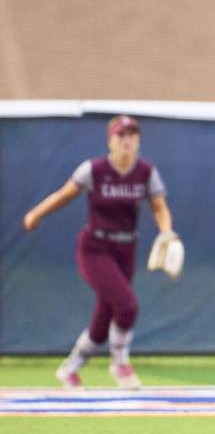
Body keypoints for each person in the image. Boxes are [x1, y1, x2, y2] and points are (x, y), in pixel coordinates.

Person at [22, 115, 178, 389]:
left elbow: (159, 207)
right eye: (121, 135)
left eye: (132, 134)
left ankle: (70, 368)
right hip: (94, 248)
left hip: (126, 249)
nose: (127, 140)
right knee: (127, 305)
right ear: (110, 140)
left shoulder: (146, 172)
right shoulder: (93, 169)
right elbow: (64, 195)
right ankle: (120, 365)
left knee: (104, 319)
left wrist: (166, 232)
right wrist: (37, 213)